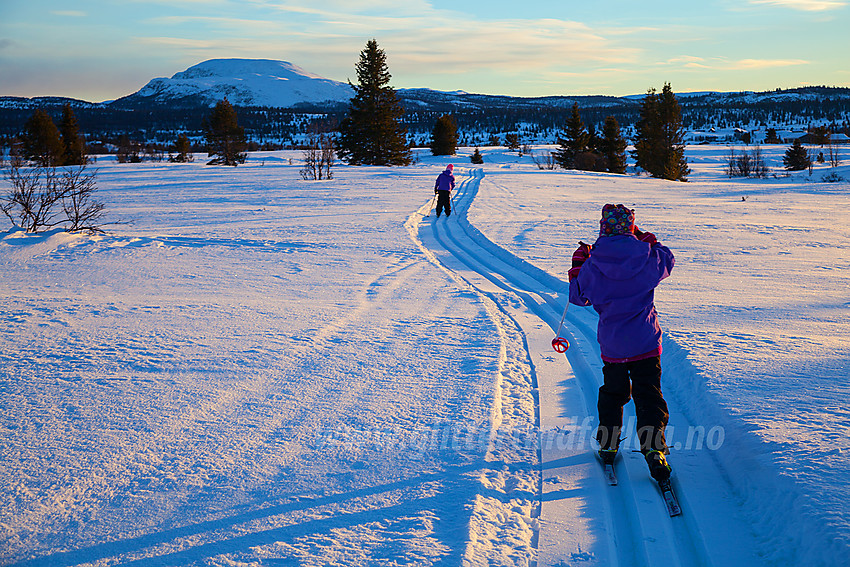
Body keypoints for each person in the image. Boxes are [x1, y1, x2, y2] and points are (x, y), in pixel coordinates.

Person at [568, 204, 676, 482]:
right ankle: (653, 447)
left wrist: (579, 264)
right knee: (648, 395)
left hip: (614, 345)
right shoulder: (647, 256)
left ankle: (608, 443)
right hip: (645, 342)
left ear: (603, 229)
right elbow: (667, 259)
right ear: (632, 228)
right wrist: (646, 239)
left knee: (613, 395)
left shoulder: (594, 262)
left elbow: (579, 296)